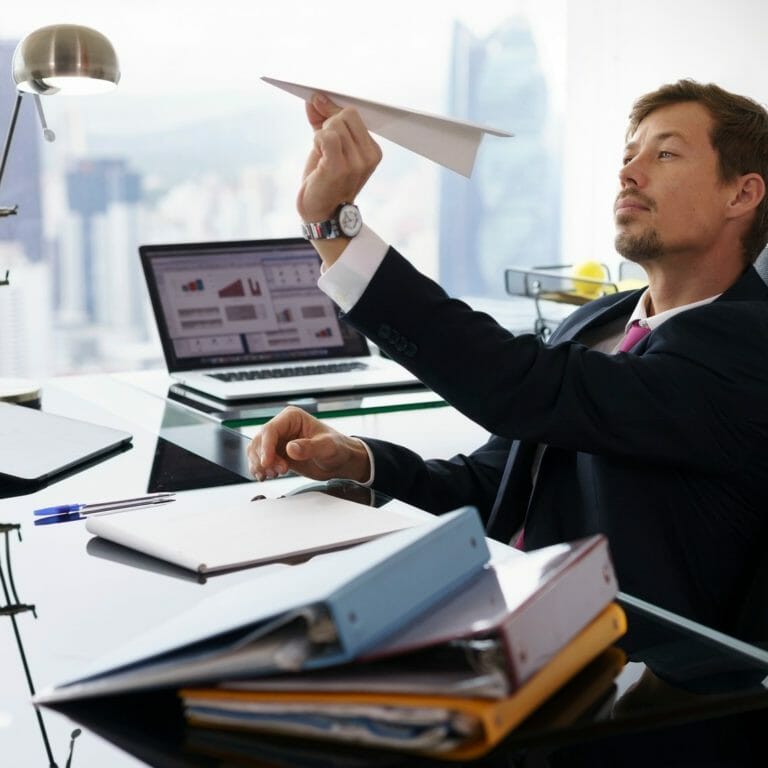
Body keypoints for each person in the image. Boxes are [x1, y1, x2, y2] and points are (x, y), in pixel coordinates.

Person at [248, 80, 768, 635]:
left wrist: (336, 228)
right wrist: (358, 461)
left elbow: (520, 387)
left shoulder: (748, 345)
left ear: (742, 194)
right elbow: (494, 483)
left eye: (664, 153)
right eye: (628, 154)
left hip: (635, 672)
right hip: (503, 621)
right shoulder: (598, 321)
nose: (628, 172)